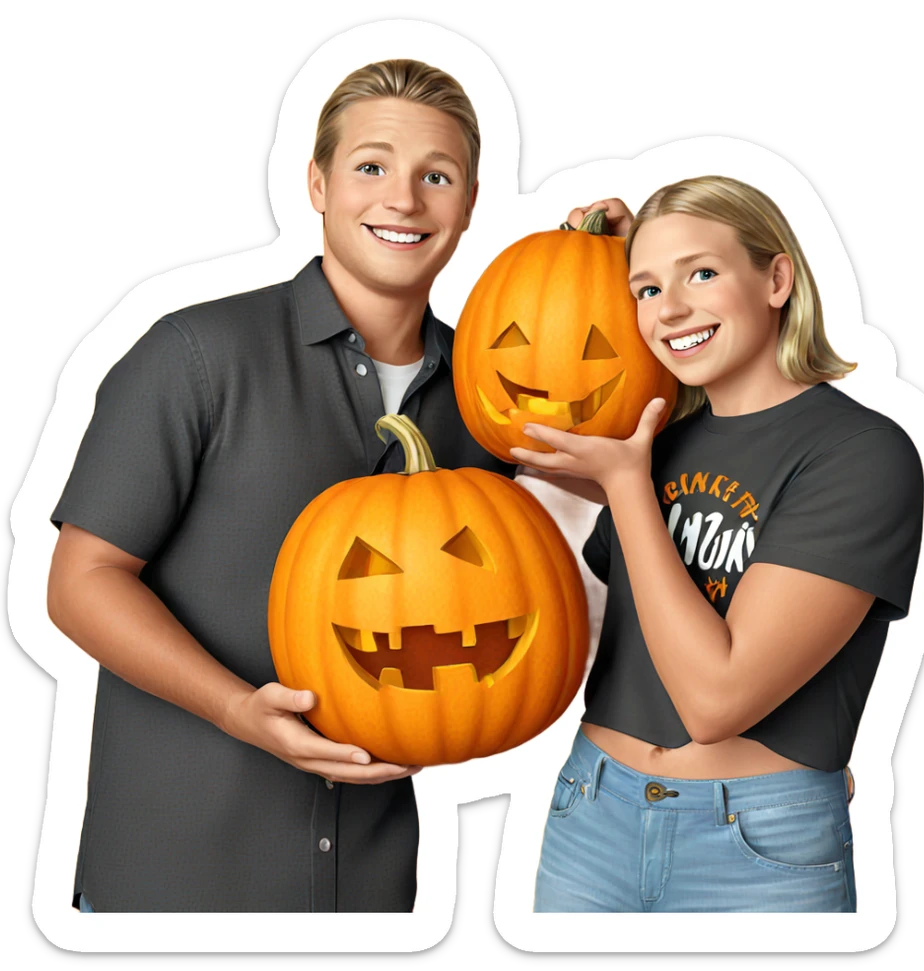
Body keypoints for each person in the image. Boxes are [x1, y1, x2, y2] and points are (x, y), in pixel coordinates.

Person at [45, 57, 584, 914]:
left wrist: (624, 251)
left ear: (470, 203)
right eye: (371, 166)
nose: (401, 200)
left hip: (374, 887)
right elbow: (80, 583)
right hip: (176, 876)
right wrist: (234, 709)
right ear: (317, 184)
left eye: (434, 176)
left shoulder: (493, 401)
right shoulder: (192, 355)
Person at [511, 177, 924, 913]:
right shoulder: (653, 442)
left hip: (754, 842)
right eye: (645, 289)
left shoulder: (861, 453)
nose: (667, 309)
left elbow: (715, 699)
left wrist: (628, 485)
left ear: (775, 278)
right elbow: (519, 417)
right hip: (589, 809)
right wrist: (596, 263)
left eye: (701, 272)